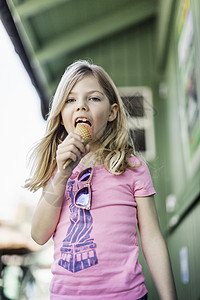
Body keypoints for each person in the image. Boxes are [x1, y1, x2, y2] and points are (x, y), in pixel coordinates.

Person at [25, 60, 177, 300]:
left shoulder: (131, 168)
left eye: (93, 98)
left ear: (112, 112)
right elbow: (39, 234)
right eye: (70, 100)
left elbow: (152, 237)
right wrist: (63, 175)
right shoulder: (57, 171)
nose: (81, 106)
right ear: (62, 114)